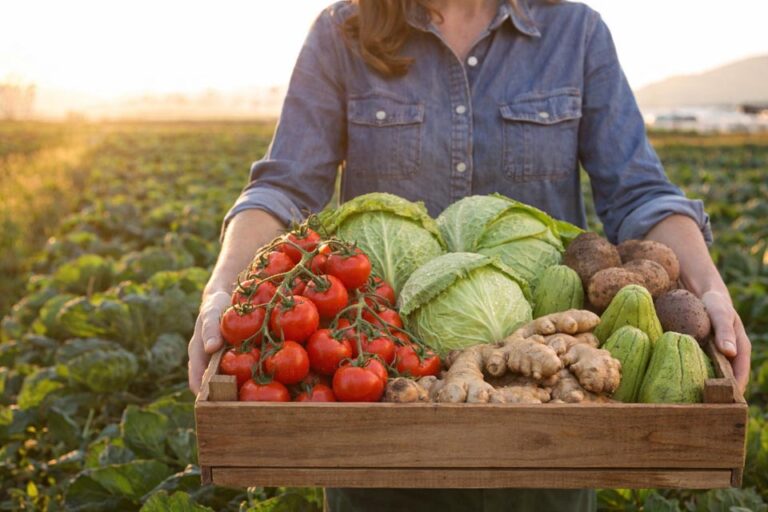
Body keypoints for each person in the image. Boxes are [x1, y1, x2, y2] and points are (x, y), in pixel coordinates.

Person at [188, 0, 752, 510]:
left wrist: (710, 287)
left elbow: (640, 194)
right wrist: (222, 288)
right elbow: (282, 189)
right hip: (383, 402)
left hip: (550, 408)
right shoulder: (344, 31)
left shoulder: (575, 32)